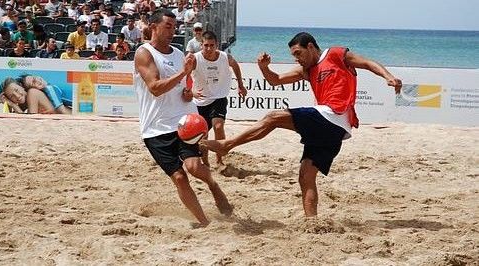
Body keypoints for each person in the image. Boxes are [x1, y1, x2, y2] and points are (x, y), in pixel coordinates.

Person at [203, 32, 403, 217]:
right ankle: (312, 223)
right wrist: (264, 68)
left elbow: (367, 63)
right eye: (293, 55)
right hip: (332, 133)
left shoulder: (335, 54)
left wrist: (388, 77)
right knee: (305, 175)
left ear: (311, 47)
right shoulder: (306, 70)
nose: (296, 58)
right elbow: (275, 80)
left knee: (273, 117)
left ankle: (227, 145)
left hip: (332, 116)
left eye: (298, 53)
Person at [134, 9, 232, 227]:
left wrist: (187, 92)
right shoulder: (145, 53)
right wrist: (182, 73)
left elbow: (183, 90)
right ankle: (205, 222)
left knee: (195, 168)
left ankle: (213, 185)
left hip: (183, 122)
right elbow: (155, 88)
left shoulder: (179, 55)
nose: (172, 30)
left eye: (174, 26)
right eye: (167, 26)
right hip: (155, 128)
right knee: (179, 177)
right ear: (153, 27)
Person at [190, 30, 246, 166]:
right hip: (200, 100)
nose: (209, 48)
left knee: (218, 126)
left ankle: (220, 160)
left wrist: (240, 84)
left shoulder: (224, 57)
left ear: (217, 45)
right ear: (201, 45)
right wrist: (191, 92)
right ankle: (206, 162)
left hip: (219, 97)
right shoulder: (194, 59)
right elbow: (184, 76)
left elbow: (235, 65)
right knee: (203, 134)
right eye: (206, 45)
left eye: (212, 45)